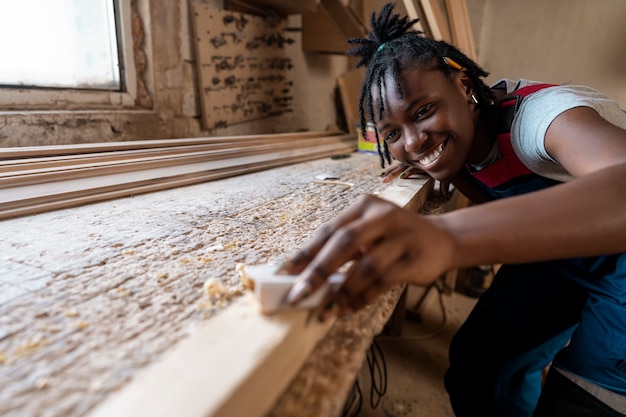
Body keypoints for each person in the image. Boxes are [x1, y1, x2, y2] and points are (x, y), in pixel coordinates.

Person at [277, 3, 626, 416]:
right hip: (558, 262)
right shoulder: (459, 152)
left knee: (581, 400)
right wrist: (442, 169)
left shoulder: (544, 118)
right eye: (393, 133)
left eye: (423, 112)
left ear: (464, 86)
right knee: (478, 369)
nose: (414, 142)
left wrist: (448, 235)